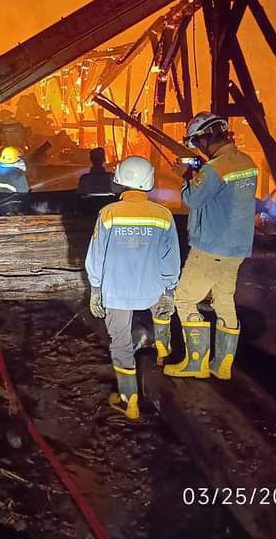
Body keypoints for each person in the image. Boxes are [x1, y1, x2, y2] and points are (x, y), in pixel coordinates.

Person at [165, 111, 258, 381]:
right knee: (224, 300)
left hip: (211, 248)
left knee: (184, 299)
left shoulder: (213, 170)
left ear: (206, 138)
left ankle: (196, 364)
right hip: (237, 248)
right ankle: (223, 365)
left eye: (196, 142)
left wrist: (186, 176)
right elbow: (223, 199)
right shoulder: (247, 162)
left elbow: (192, 200)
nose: (196, 148)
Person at [85, 156, 180, 420]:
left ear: (120, 181)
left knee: (121, 343)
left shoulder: (108, 214)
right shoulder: (163, 215)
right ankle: (164, 351)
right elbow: (170, 257)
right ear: (148, 181)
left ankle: (130, 401)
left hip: (116, 292)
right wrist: (170, 288)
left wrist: (95, 289)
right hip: (152, 287)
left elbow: (96, 256)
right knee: (161, 312)